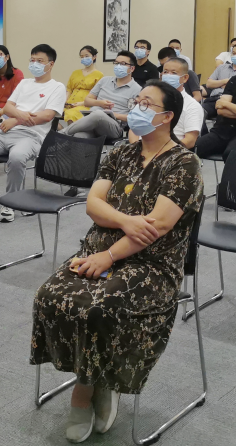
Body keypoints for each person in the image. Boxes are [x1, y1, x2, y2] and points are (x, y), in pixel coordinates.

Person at [30, 81, 204, 442]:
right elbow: (93, 205)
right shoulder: (122, 152)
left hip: (152, 264)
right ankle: (99, 377)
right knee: (50, 296)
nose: (137, 107)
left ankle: (87, 390)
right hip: (97, 249)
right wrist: (124, 221)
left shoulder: (184, 163)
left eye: (146, 103)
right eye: (136, 101)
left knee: (99, 308)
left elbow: (156, 227)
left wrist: (109, 254)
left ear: (167, 117)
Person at [0, 44, 67, 223]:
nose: (34, 64)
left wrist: (15, 119)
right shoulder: (25, 83)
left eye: (39, 61)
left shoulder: (57, 87)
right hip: (6, 133)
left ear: (51, 64)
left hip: (32, 137)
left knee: (17, 157)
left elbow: (47, 116)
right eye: (32, 60)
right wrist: (16, 117)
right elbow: (8, 107)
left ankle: (11, 201)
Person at [61, 51, 141, 141]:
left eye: (123, 64)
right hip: (92, 122)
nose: (118, 66)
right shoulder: (104, 80)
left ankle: (61, 134)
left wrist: (113, 114)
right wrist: (100, 103)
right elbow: (87, 101)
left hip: (114, 127)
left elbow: (134, 117)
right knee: (79, 136)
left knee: (99, 114)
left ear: (132, 68)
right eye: (116, 63)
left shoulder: (137, 90)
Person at [132, 58, 204, 149]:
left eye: (174, 73)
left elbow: (190, 140)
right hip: (140, 147)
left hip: (171, 151)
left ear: (185, 78)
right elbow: (133, 128)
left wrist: (160, 151)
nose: (168, 75)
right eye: (165, 72)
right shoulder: (149, 99)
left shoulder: (192, 105)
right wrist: (136, 149)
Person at [204, 43, 236, 117]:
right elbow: (209, 84)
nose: (235, 56)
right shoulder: (221, 68)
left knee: (223, 114)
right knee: (199, 111)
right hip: (214, 99)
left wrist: (220, 84)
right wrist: (225, 81)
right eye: (233, 53)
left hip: (233, 103)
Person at [63, 46, 104, 123]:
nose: (84, 58)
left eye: (86, 56)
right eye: (82, 57)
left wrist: (82, 103)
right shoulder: (75, 73)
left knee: (72, 115)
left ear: (94, 57)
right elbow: (69, 89)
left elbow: (97, 95)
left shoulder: (99, 75)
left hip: (86, 105)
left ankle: (70, 130)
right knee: (52, 112)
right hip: (70, 103)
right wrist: (65, 100)